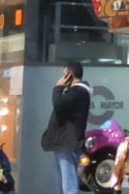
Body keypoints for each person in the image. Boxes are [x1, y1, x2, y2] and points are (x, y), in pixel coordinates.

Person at [42, 62, 92, 194]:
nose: (62, 78)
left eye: (64, 75)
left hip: (66, 140)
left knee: (68, 180)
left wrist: (57, 88)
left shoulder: (78, 91)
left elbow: (58, 105)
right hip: (65, 140)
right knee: (64, 178)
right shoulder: (78, 92)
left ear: (70, 75)